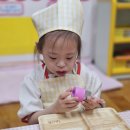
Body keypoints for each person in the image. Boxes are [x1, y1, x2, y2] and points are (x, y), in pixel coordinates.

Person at [18, 0, 105, 124]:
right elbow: (31, 121)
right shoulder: (33, 80)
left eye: (69, 57)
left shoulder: (86, 75)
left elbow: (97, 105)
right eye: (53, 57)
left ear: (78, 52)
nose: (61, 64)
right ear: (40, 49)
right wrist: (55, 108)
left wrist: (93, 105)